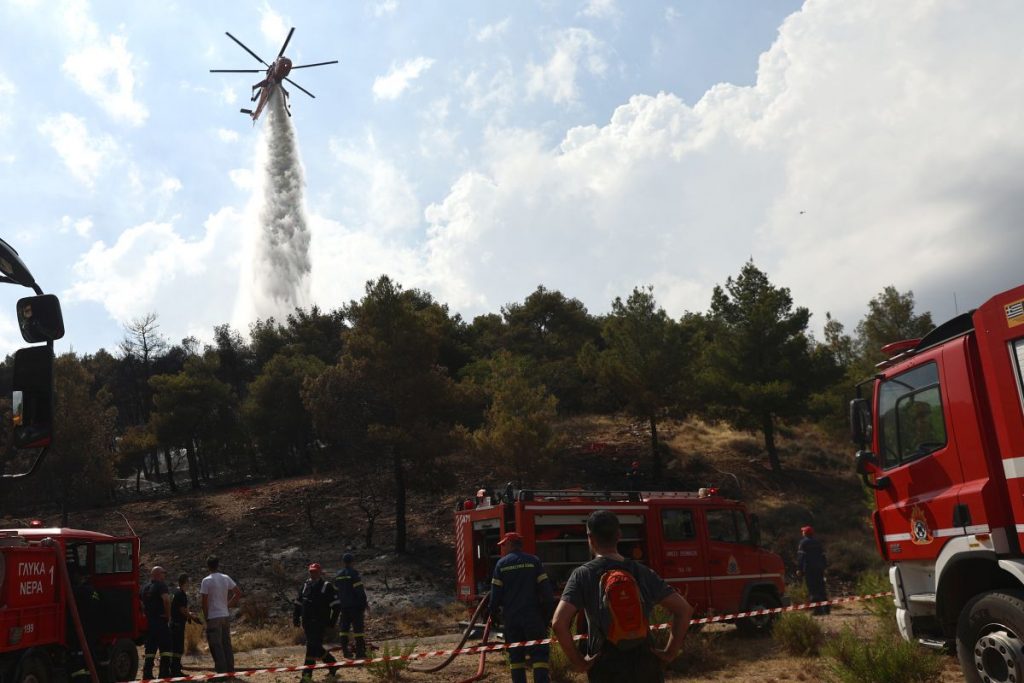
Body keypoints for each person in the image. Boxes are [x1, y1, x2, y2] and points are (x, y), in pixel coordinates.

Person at [551, 510, 693, 682]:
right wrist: (670, 652)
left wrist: (579, 662)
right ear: (619, 535)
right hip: (645, 664)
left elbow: (559, 623)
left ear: (590, 537)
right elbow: (684, 610)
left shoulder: (582, 575)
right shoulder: (642, 572)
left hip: (605, 667)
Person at [489, 532, 555, 683]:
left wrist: (493, 614)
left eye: (504, 545)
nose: (503, 548)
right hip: (533, 617)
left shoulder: (501, 564)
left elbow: (495, 595)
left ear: (510, 544)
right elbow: (547, 593)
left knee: (516, 657)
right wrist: (546, 616)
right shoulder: (534, 561)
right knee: (539, 656)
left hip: (512, 619)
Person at [293, 563, 339, 681]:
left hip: (320, 623)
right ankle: (332, 663)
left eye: (315, 571)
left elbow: (337, 606)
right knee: (316, 646)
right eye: (311, 571)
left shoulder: (326, 586)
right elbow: (298, 603)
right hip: (307, 623)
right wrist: (296, 617)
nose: (313, 574)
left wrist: (331, 622)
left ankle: (306, 676)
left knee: (311, 647)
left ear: (320, 572)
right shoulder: (305, 585)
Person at [200, 556, 242, 675]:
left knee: (216, 645)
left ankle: (222, 673)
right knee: (226, 644)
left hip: (213, 616)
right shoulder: (225, 578)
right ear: (218, 565)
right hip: (224, 615)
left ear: (208, 566)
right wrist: (227, 605)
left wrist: (206, 617)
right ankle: (230, 670)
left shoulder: (206, 581)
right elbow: (238, 593)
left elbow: (204, 602)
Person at [67, 566, 102, 681]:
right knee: (89, 654)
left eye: (75, 575)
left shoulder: (80, 591)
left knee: (79, 657)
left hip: (81, 628)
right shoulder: (92, 590)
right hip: (91, 628)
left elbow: (68, 593)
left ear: (79, 576)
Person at [332, 553, 369, 659]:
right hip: (355, 607)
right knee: (358, 630)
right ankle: (360, 653)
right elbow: (359, 591)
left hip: (343, 607)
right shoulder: (354, 573)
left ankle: (345, 652)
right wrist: (364, 604)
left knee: (344, 630)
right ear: (352, 562)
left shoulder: (338, 575)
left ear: (343, 562)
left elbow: (335, 592)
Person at [141, 566, 173, 680]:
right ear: (158, 574)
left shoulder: (145, 588)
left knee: (150, 649)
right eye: (163, 573)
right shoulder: (161, 585)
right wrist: (168, 616)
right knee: (166, 648)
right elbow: (166, 600)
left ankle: (147, 673)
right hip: (160, 621)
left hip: (149, 623)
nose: (165, 575)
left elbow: (141, 604)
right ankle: (164, 673)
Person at [796, 525, 829, 615]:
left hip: (809, 569)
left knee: (812, 589)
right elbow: (823, 556)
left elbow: (801, 557)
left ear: (805, 533)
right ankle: (826, 609)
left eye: (803, 531)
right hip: (819, 568)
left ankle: (817, 610)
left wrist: (799, 569)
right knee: (821, 588)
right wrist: (825, 567)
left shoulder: (803, 543)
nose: (802, 532)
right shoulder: (818, 542)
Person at [170, 574, 199, 677]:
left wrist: (189, 614)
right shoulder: (181, 594)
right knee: (178, 648)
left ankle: (174, 668)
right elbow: (182, 610)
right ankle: (176, 671)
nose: (189, 584)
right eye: (188, 582)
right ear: (185, 582)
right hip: (178, 624)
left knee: (174, 648)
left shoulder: (175, 592)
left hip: (173, 623)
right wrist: (192, 617)